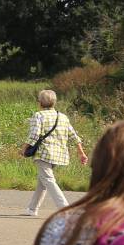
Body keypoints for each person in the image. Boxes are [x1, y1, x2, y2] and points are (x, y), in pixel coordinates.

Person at [23, 88, 90, 217]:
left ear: (40, 103)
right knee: (43, 181)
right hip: (58, 155)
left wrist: (24, 148)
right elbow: (73, 135)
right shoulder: (62, 117)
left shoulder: (39, 115)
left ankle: (64, 208)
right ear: (54, 102)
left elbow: (34, 135)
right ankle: (32, 209)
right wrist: (81, 153)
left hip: (43, 153)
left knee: (48, 180)